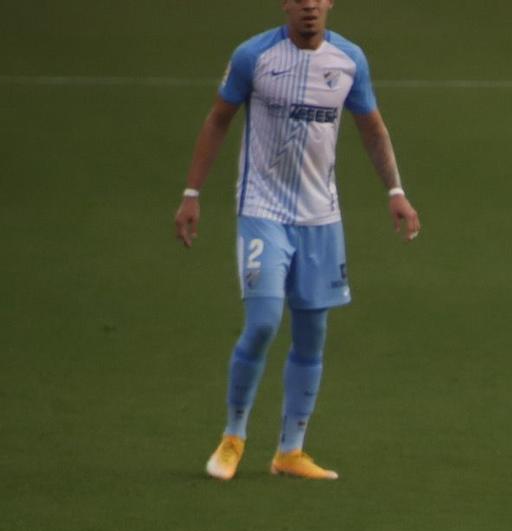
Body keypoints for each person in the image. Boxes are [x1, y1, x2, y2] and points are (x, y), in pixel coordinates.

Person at [173, 0, 421, 483]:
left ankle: (290, 451)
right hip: (261, 211)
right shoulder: (254, 56)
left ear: (329, 3)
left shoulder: (350, 60)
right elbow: (219, 119)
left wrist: (396, 191)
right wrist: (191, 193)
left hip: (320, 217)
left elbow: (372, 127)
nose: (309, 5)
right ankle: (233, 436)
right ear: (286, 4)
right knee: (264, 322)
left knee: (312, 334)